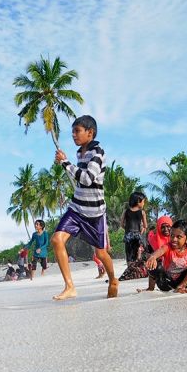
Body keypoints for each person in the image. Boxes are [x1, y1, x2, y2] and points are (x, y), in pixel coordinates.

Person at [51, 115, 117, 300]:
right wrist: (66, 162)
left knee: (101, 253)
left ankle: (113, 279)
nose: (73, 135)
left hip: (95, 213)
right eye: (72, 131)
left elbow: (87, 178)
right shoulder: (80, 152)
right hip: (76, 208)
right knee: (57, 240)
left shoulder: (98, 152)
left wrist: (65, 163)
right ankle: (70, 286)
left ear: (90, 132)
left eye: (77, 131)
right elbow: (78, 179)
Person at [139, 219, 187, 293]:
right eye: (172, 235)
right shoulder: (168, 246)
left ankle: (181, 287)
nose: (174, 239)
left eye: (178, 237)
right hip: (167, 283)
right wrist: (153, 257)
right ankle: (150, 288)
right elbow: (159, 251)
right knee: (154, 264)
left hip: (184, 282)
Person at [120, 192, 147, 263]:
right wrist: (140, 232)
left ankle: (129, 267)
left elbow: (122, 224)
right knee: (137, 255)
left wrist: (127, 230)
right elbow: (145, 226)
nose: (144, 204)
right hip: (137, 236)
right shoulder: (142, 212)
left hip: (128, 236)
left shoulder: (126, 211)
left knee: (129, 255)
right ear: (138, 201)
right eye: (143, 201)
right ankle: (136, 268)